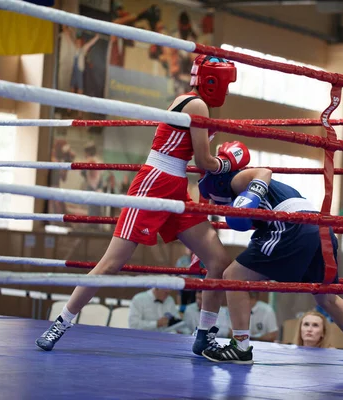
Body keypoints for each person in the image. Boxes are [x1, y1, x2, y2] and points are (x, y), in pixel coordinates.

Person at [35, 55, 247, 354]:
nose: (227, 90)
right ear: (214, 81)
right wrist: (228, 164)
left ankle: (204, 334)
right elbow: (204, 161)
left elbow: (197, 163)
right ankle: (61, 322)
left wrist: (217, 163)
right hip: (154, 183)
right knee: (111, 263)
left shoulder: (199, 106)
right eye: (226, 83)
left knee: (218, 261)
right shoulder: (196, 104)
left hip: (175, 187)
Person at [197, 166, 343, 367]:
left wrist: (248, 196)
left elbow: (264, 172)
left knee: (232, 275)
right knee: (327, 297)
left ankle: (241, 347)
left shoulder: (237, 181)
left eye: (213, 199)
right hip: (321, 229)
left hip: (293, 226)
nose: (214, 205)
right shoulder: (265, 193)